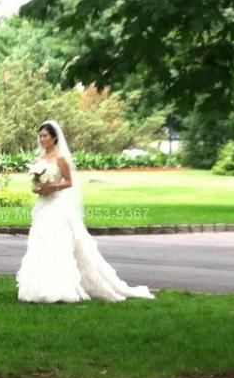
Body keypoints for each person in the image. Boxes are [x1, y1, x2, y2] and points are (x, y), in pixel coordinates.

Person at [16, 120, 156, 303]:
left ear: (54, 137)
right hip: (43, 206)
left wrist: (52, 187)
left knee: (58, 244)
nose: (42, 139)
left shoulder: (60, 158)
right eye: (40, 136)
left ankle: (61, 287)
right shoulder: (39, 160)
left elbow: (68, 182)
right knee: (40, 243)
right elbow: (35, 184)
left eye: (45, 136)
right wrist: (38, 188)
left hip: (57, 206)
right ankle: (37, 288)